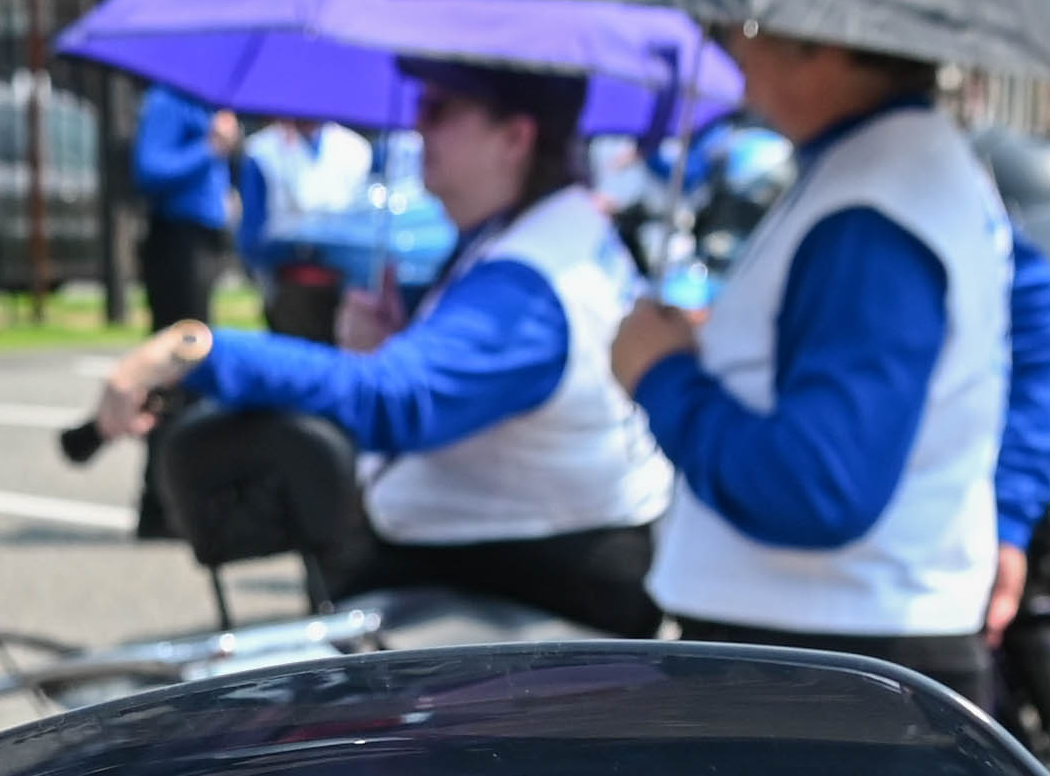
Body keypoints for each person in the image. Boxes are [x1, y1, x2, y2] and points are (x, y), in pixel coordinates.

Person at [85, 61, 675, 636]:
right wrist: (402, 341)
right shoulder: (540, 233)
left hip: (517, 581)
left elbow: (394, 400)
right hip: (511, 559)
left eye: (440, 108)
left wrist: (196, 350)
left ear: (516, 137)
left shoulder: (530, 280)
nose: (417, 124)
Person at [596, 29, 1050, 702]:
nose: (731, 47)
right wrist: (1008, 511)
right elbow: (1034, 326)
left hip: (821, 668)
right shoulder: (906, 164)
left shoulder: (873, 205)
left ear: (827, 42)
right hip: (847, 647)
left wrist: (660, 373)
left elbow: (814, 489)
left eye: (752, 29)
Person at [130, 85, 239, 332]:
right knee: (181, 339)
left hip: (206, 233)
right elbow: (150, 169)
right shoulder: (168, 101)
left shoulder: (209, 104)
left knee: (198, 334)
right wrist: (209, 147)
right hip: (177, 235)